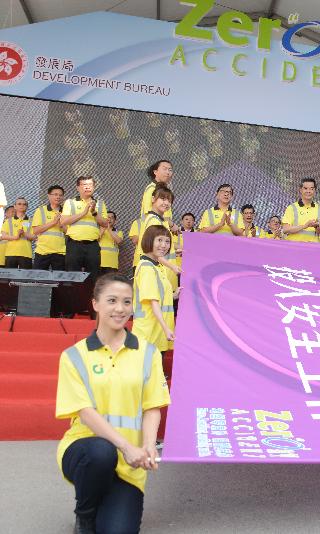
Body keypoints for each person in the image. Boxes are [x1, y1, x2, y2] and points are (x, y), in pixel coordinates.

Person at [55, 273, 170, 533]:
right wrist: (126, 447)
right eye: (112, 300)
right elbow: (85, 412)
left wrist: (148, 446)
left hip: (130, 464)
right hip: (86, 451)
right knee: (101, 452)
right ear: (95, 304)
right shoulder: (74, 356)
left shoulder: (148, 352)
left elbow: (152, 406)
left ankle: (105, 502)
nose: (120, 309)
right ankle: (85, 515)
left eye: (127, 302)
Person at [133, 226, 177, 352]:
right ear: (149, 240)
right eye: (159, 240)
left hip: (158, 331)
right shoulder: (147, 268)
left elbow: (159, 296)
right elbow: (153, 301)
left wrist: (174, 295)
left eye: (167, 241)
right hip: (149, 331)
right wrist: (166, 328)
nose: (164, 245)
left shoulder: (157, 266)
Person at [61, 176, 108, 284]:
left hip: (93, 245)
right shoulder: (70, 202)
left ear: (94, 187)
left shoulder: (100, 204)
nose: (87, 187)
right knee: (72, 277)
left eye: (90, 185)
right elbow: (63, 221)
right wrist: (83, 213)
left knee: (93, 277)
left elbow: (105, 223)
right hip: (74, 244)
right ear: (78, 187)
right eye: (84, 185)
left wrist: (94, 212)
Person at [134, 186, 180, 290]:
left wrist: (173, 251)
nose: (166, 203)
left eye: (169, 201)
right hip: (159, 272)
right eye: (163, 199)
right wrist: (172, 266)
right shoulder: (154, 220)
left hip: (164, 275)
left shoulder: (159, 220)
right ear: (153, 199)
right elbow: (153, 250)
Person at [282, 178, 320, 243]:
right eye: (305, 188)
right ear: (300, 190)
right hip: (294, 246)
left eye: (311, 189)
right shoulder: (291, 208)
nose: (308, 191)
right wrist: (305, 226)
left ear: (315, 191)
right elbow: (285, 229)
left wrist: (316, 226)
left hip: (312, 246)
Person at [31, 185, 66, 271]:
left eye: (60, 195)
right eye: (55, 194)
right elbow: (35, 231)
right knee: (38, 277)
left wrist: (61, 224)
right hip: (42, 251)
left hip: (60, 252)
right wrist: (53, 222)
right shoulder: (40, 210)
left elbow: (69, 232)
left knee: (59, 278)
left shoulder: (66, 212)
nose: (58, 197)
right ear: (49, 195)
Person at [141, 160, 177, 232]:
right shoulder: (152, 188)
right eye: (164, 169)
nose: (168, 172)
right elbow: (150, 213)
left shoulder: (163, 189)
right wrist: (172, 225)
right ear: (155, 172)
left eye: (170, 170)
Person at [1, 197, 34, 269]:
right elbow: (3, 236)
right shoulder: (8, 221)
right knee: (10, 275)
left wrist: (24, 234)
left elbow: (35, 237)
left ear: (27, 207)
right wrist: (16, 237)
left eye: (24, 204)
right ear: (15, 206)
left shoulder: (31, 221)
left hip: (26, 253)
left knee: (25, 276)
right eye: (19, 204)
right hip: (10, 253)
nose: (22, 206)